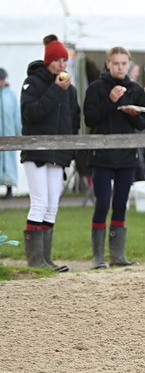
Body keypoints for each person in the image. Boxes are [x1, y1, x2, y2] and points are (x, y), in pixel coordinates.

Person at [84, 47, 145, 268]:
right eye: (116, 63)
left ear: (129, 64)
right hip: (101, 155)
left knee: (120, 204)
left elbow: (143, 123)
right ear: (108, 64)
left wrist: (134, 115)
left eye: (124, 63)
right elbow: (90, 119)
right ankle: (98, 257)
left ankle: (117, 256)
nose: (120, 67)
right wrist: (111, 101)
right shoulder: (96, 88)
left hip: (126, 155)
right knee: (102, 204)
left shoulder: (136, 89)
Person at [20, 35, 80, 271]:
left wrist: (70, 148)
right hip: (36, 151)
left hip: (59, 153)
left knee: (52, 204)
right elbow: (31, 113)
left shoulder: (70, 90)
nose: (62, 65)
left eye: (65, 60)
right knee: (39, 202)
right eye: (57, 60)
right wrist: (55, 90)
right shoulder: (32, 83)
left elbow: (74, 120)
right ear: (48, 61)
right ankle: (35, 260)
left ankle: (45, 258)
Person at [0, 68, 20, 198]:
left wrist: (18, 133)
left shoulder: (11, 96)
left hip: (9, 134)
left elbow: (16, 115)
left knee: (9, 162)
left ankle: (9, 189)